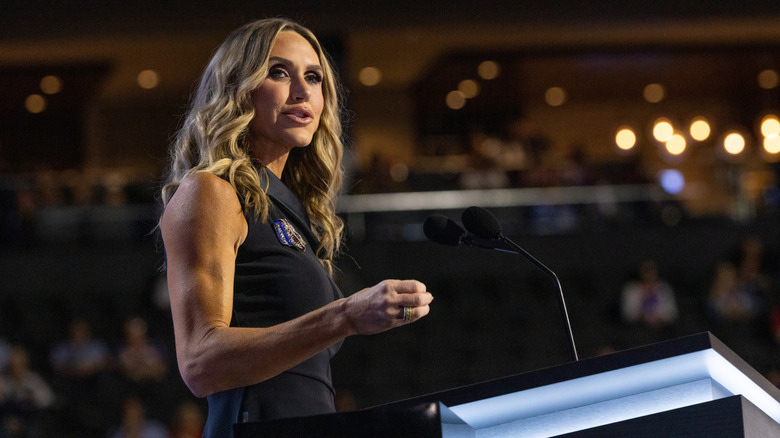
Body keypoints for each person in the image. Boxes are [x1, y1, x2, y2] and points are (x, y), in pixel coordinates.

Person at [159, 18, 433, 437]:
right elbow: (200, 364)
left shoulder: (292, 209)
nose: (303, 91)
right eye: (279, 72)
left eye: (314, 77)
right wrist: (345, 316)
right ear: (238, 86)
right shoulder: (211, 192)